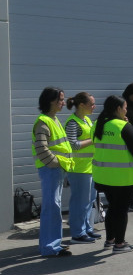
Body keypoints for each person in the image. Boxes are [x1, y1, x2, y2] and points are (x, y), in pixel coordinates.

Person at [93, 95, 133, 253]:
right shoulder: (123, 127)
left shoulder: (98, 125)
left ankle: (110, 240)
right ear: (118, 109)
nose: (126, 110)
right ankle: (120, 244)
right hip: (123, 178)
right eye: (125, 108)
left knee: (112, 208)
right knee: (121, 211)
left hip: (103, 176)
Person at [33, 87, 76, 257]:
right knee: (51, 208)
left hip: (57, 169)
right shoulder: (43, 122)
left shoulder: (54, 119)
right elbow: (41, 149)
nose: (63, 103)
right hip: (52, 170)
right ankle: (49, 247)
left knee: (54, 207)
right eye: (60, 100)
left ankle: (54, 243)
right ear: (51, 101)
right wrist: (56, 163)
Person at [64, 92, 101, 244]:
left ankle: (87, 229)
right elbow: (73, 145)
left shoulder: (86, 120)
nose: (94, 107)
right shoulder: (73, 122)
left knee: (89, 200)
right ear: (81, 105)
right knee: (80, 202)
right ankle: (77, 234)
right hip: (78, 169)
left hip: (90, 168)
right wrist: (92, 140)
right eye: (91, 104)